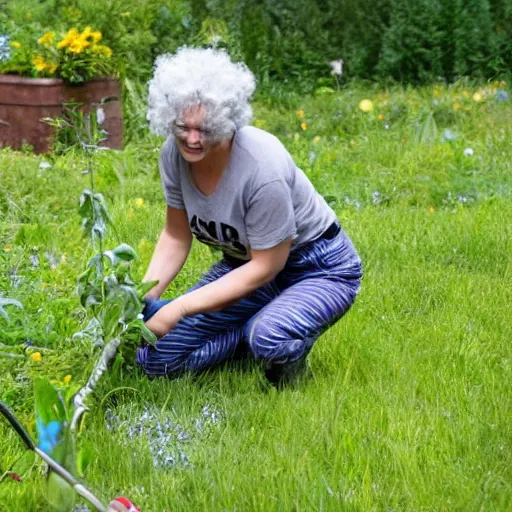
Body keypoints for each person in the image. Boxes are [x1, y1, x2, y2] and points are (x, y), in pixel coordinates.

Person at [136, 47, 362, 386]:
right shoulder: (173, 155)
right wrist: (144, 297)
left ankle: (275, 348)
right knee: (153, 361)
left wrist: (179, 308)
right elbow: (176, 236)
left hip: (316, 268)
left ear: (225, 119)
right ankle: (248, 331)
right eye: (183, 126)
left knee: (268, 337)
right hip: (243, 265)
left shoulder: (261, 168)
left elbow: (266, 266)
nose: (193, 139)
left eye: (206, 127)